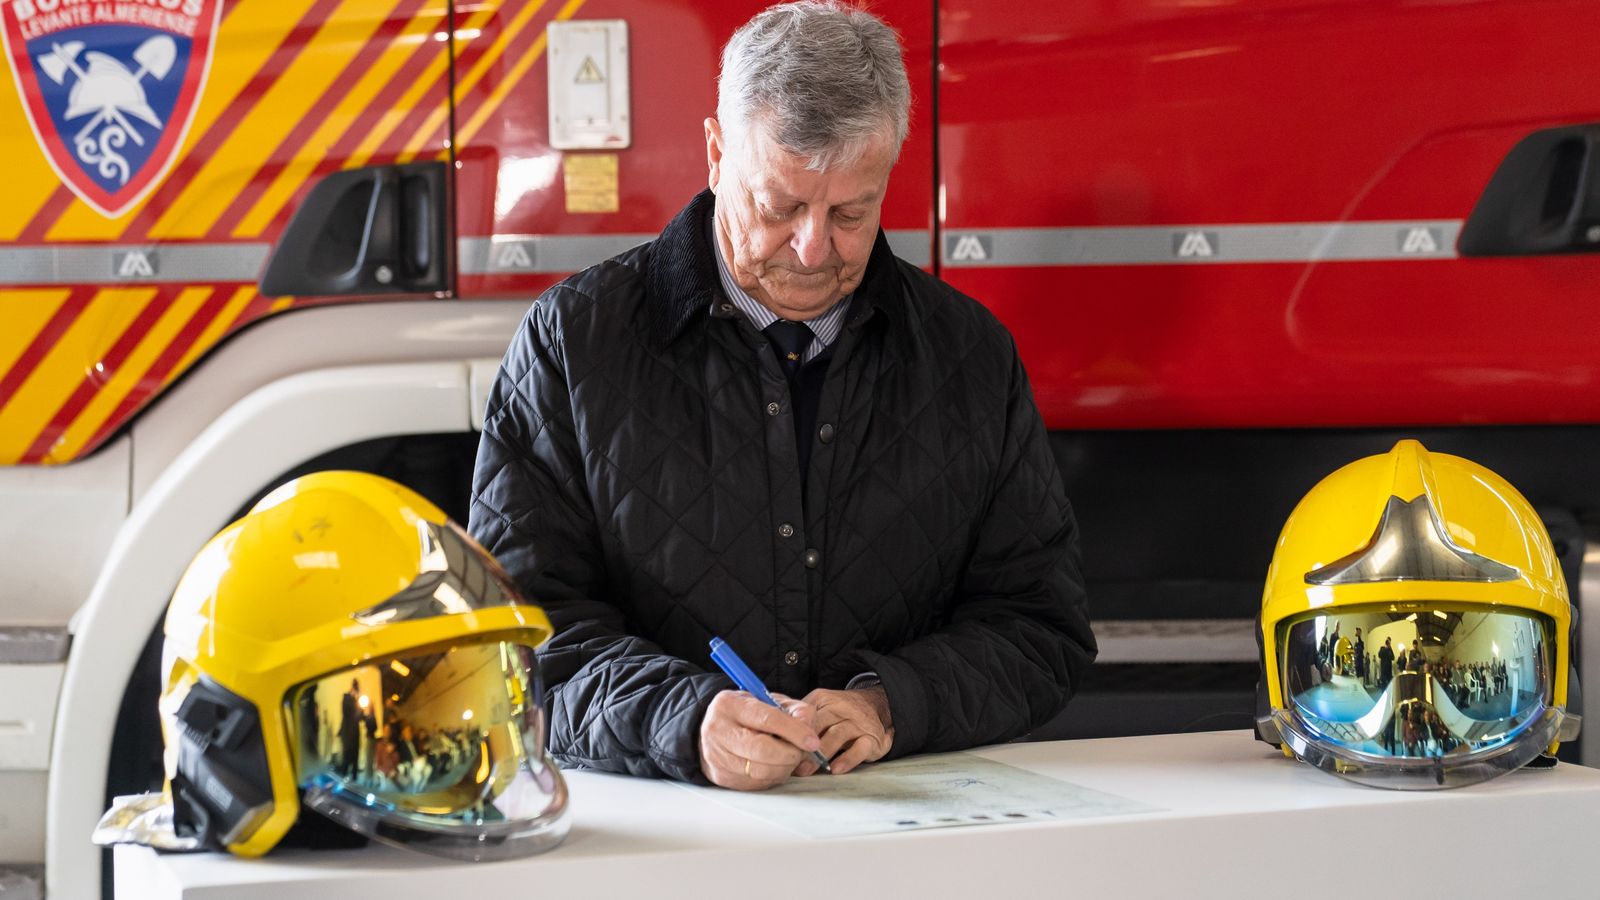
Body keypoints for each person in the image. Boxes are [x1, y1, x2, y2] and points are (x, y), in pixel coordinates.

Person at [469, 0, 1095, 792]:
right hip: (665, 835)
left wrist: (893, 704)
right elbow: (515, 643)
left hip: (908, 830)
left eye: (850, 214)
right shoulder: (572, 344)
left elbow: (1042, 630)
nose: (811, 249)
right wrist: (683, 720)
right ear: (715, 151)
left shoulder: (970, 356)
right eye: (781, 207)